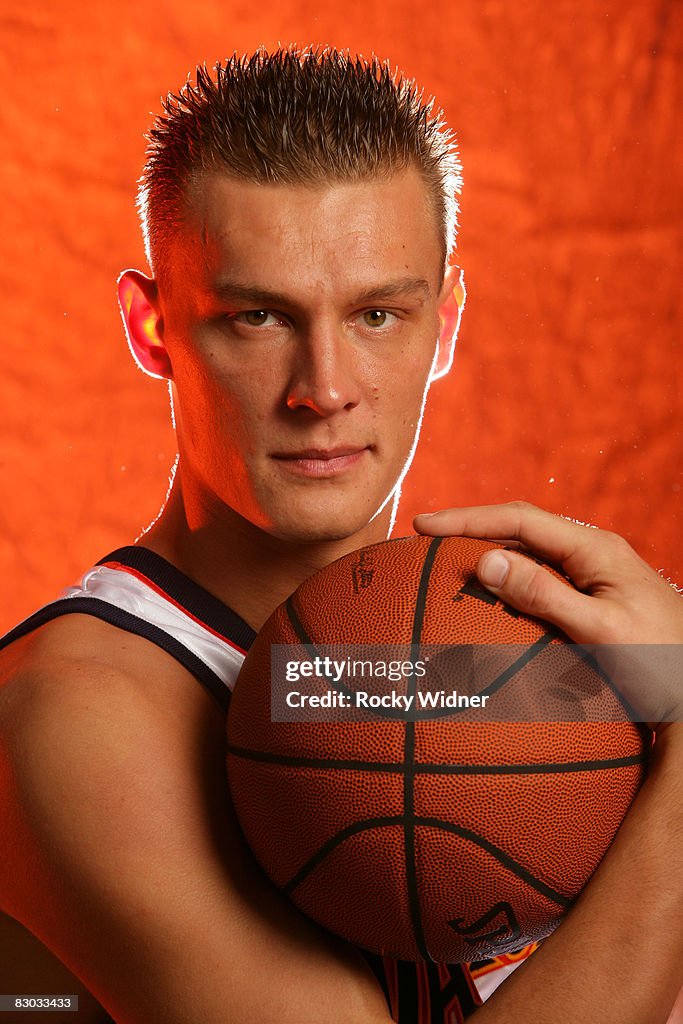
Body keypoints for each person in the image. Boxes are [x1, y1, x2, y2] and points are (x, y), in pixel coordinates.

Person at [0, 48, 681, 1024]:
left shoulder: (494, 663)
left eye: (375, 314)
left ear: (442, 326)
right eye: (256, 317)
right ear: (152, 329)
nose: (322, 388)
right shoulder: (74, 722)